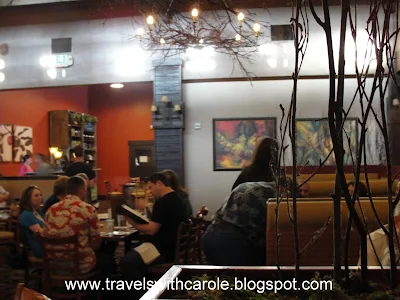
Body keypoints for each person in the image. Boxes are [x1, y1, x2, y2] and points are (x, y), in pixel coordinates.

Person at [201, 138, 278, 266]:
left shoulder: (247, 173)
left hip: (218, 229)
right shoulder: (276, 179)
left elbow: (232, 199)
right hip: (239, 237)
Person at [120, 172, 188, 299]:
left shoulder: (163, 202)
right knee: (132, 254)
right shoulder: (178, 199)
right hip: (172, 247)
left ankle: (145, 295)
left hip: (161, 250)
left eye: (150, 187)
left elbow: (151, 230)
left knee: (127, 262)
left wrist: (133, 222)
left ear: (159, 183)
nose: (149, 192)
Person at [45, 176, 116, 276]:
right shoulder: (87, 209)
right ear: (82, 190)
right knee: (108, 259)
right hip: (81, 265)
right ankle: (102, 289)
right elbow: (96, 243)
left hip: (54, 264)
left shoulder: (51, 210)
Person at [19, 185, 44, 258]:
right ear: (28, 199)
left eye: (40, 195)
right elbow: (41, 234)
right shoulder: (27, 215)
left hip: (45, 243)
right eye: (36, 196)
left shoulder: (38, 212)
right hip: (39, 247)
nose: (40, 198)